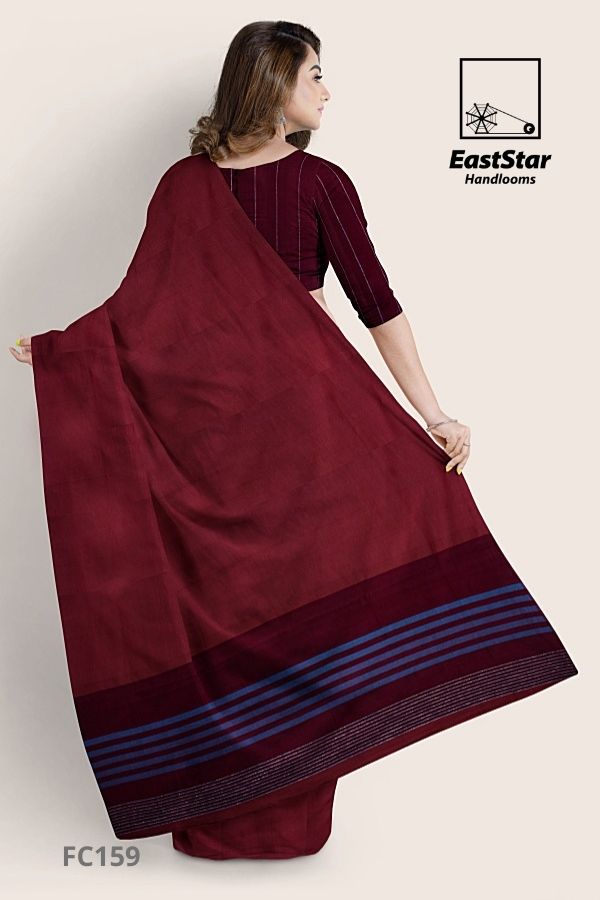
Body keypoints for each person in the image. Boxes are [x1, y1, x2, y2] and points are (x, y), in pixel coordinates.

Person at [9, 21, 576, 862]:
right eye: (315, 74)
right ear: (272, 82)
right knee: (235, 613)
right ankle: (222, 803)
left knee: (312, 611)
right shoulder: (185, 187)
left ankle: (286, 810)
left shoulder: (319, 183)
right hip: (213, 442)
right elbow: (143, 309)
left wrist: (434, 414)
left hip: (308, 433)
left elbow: (377, 305)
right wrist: (65, 350)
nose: (327, 90)